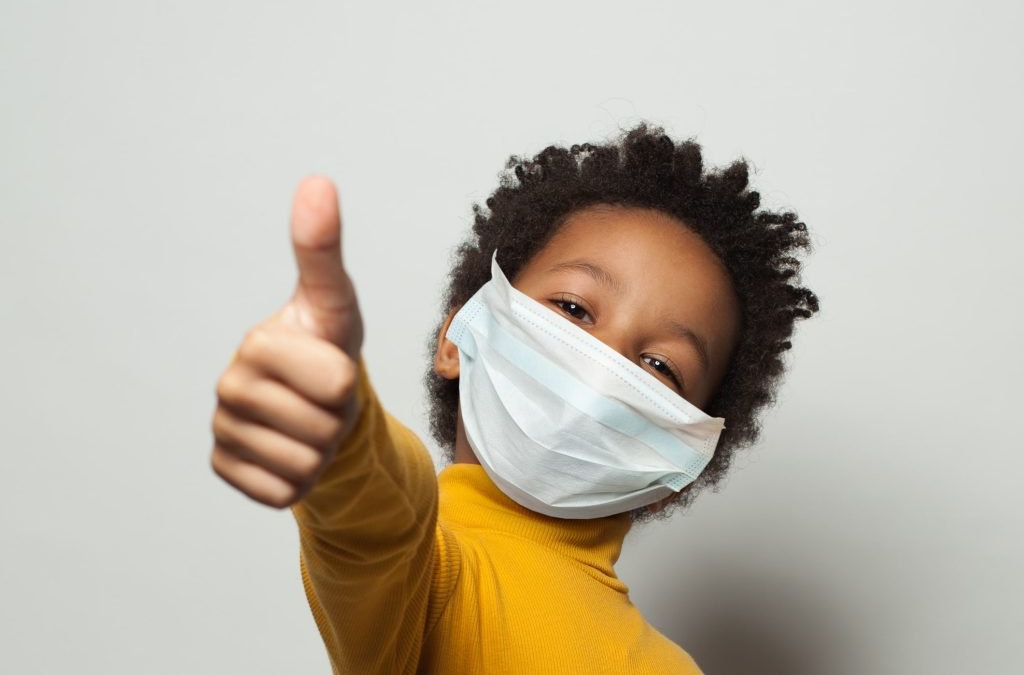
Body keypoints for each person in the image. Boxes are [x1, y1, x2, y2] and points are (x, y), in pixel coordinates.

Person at [210, 124, 819, 673]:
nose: (602, 370)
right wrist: (345, 436)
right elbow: (375, 529)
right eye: (573, 308)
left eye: (660, 365)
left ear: (685, 459)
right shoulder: (431, 574)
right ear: (459, 336)